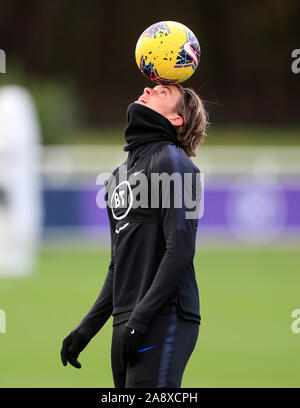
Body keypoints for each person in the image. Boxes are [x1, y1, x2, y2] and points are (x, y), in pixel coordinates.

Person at [60, 83, 208, 388]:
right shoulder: (117, 177)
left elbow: (179, 251)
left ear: (176, 119)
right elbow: (118, 265)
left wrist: (140, 321)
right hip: (126, 320)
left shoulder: (174, 164)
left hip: (165, 316)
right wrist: (86, 329)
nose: (148, 89)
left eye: (163, 92)